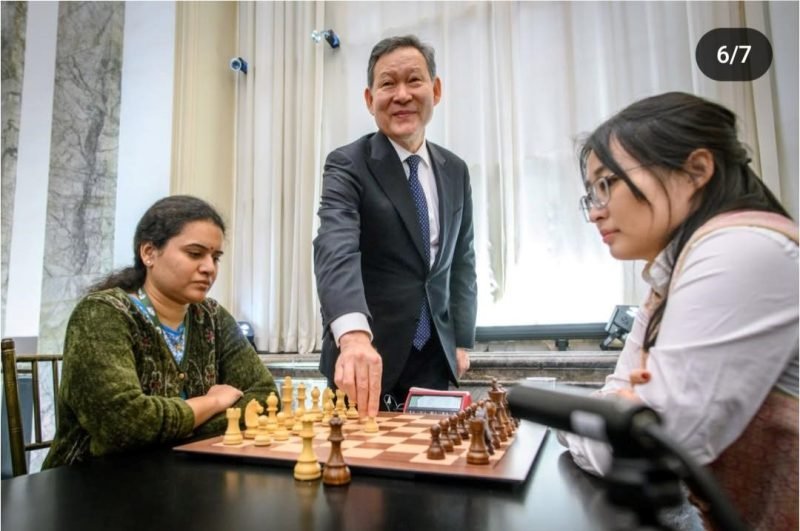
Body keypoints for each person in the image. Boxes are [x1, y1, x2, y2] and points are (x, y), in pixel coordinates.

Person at [559, 92, 798, 530]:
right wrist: (615, 414)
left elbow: (654, 449)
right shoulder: (668, 279)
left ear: (696, 170)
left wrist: (586, 421)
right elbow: (617, 403)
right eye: (591, 194)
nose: (595, 212)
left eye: (607, 184)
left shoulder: (739, 250)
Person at [43, 195, 278, 468]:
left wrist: (170, 427)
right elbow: (125, 424)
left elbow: (265, 397)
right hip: (92, 481)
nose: (209, 268)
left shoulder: (212, 316)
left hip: (186, 475)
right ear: (149, 253)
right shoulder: (102, 313)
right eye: (195, 254)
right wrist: (212, 402)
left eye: (215, 258)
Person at [313, 35, 477, 416]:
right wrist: (353, 336)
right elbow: (335, 247)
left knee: (432, 453)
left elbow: (462, 259)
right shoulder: (348, 164)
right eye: (387, 84)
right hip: (365, 359)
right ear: (370, 99)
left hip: (434, 359)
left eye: (414, 80)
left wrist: (461, 340)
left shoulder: (456, 169)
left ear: (436, 90)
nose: (401, 95)